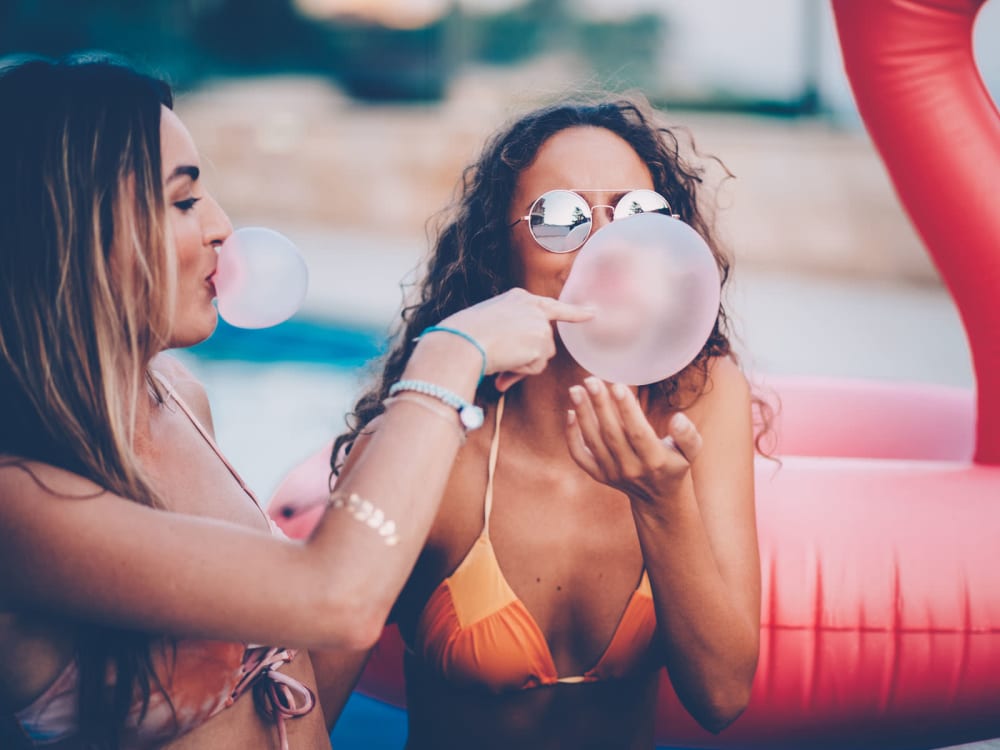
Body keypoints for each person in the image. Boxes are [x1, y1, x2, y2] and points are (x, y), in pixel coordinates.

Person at [0, 55, 591, 749]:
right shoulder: (20, 502)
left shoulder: (181, 396)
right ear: (69, 228)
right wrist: (448, 355)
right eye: (184, 201)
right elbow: (332, 599)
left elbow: (291, 663)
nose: (221, 227)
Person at [314, 96, 762, 748]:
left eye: (638, 213)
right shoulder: (437, 449)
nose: (610, 246)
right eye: (562, 218)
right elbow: (298, 718)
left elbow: (722, 696)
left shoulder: (702, 397)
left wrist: (664, 504)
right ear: (503, 250)